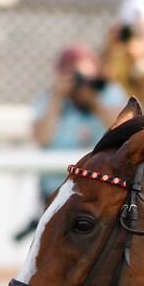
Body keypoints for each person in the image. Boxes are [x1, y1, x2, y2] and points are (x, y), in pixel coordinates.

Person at [32, 44, 128, 202]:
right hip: (58, 187)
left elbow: (122, 132)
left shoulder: (109, 93)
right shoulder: (49, 98)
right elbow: (43, 138)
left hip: (102, 184)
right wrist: (57, 99)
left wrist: (95, 103)